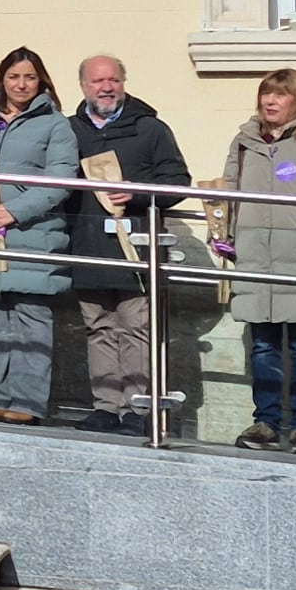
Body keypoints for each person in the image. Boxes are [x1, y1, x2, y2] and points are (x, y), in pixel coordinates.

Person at [214, 71, 296, 455]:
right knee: (263, 346)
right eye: (266, 94)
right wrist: (225, 233)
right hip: (256, 260)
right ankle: (266, 423)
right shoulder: (244, 143)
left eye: (279, 95)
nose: (270, 102)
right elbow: (229, 192)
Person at [65, 55, 192, 436]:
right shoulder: (69, 131)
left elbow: (178, 183)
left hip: (136, 247)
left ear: (123, 83)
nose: (106, 88)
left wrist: (135, 193)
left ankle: (138, 409)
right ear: (83, 86)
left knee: (135, 328)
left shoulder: (150, 129)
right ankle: (105, 407)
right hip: (88, 244)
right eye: (97, 81)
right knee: (98, 327)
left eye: (114, 80)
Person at [0, 48, 78, 425]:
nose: (21, 85)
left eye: (30, 77)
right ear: (2, 80)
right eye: (14, 77)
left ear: (41, 82)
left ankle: (28, 402)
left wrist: (14, 211)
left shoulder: (55, 124)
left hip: (31, 233)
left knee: (30, 317)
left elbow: (60, 178)